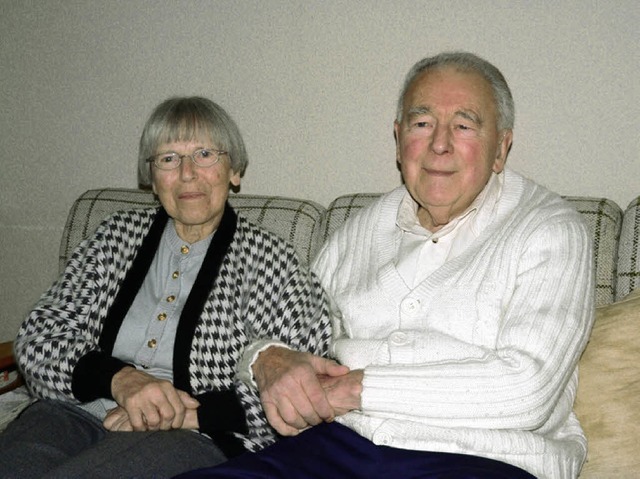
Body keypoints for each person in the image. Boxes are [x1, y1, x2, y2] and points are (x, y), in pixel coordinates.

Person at [177, 52, 595, 479]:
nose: (440, 143)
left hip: (483, 458)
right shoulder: (359, 231)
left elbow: (527, 391)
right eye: (421, 123)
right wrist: (267, 359)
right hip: (335, 448)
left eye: (464, 125)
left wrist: (354, 390)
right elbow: (284, 335)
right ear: (398, 139)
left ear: (501, 148)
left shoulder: (550, 231)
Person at [0, 96, 337, 478]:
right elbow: (39, 334)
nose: (188, 173)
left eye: (205, 154)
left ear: (235, 170)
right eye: (169, 158)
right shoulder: (115, 237)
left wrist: (187, 413)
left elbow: (301, 389)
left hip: (191, 435)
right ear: (152, 177)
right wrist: (121, 380)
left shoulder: (271, 259)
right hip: (74, 410)